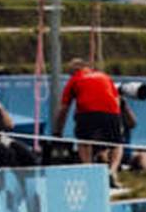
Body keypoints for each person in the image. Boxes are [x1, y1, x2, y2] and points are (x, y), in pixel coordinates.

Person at [52, 59, 124, 187]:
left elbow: (64, 109)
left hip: (88, 112)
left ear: (74, 71)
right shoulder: (104, 76)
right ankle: (112, 171)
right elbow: (117, 100)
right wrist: (117, 121)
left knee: (84, 141)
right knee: (116, 143)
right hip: (112, 111)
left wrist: (58, 132)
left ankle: (89, 171)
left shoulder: (74, 79)